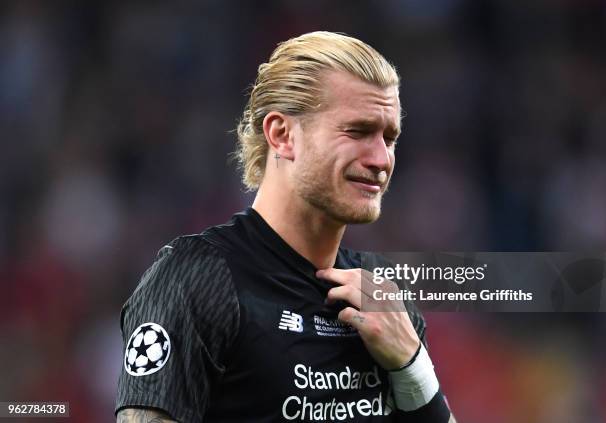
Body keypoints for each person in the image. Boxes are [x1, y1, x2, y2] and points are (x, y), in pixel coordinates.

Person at [116, 31, 456, 422]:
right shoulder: (196, 280)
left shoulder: (382, 296)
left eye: (389, 138)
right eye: (358, 131)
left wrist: (412, 367)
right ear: (282, 134)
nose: (381, 159)